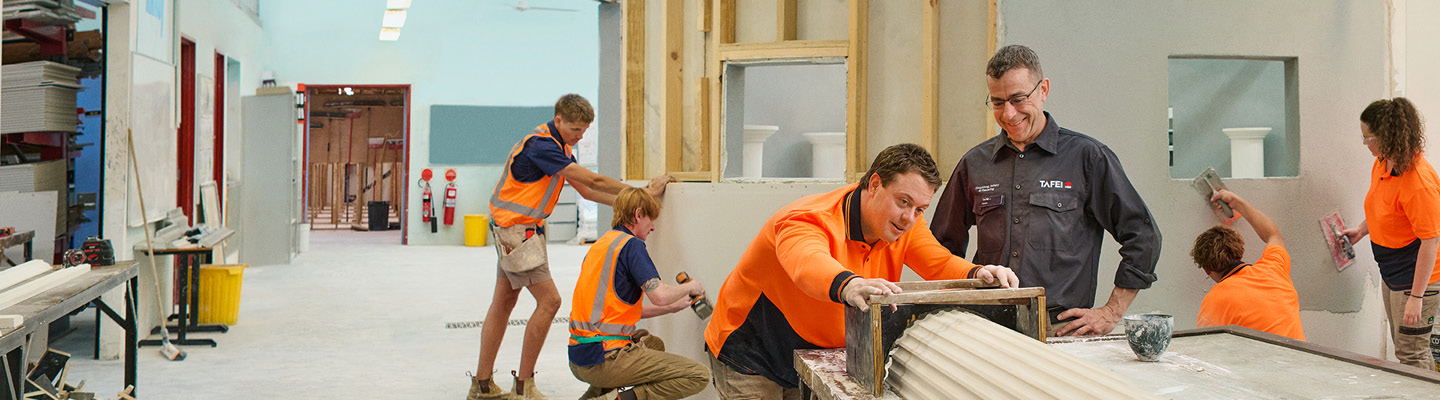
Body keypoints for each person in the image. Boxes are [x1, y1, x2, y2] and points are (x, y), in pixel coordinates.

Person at [704, 143, 1020, 399]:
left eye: (920, 208)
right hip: (752, 350)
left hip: (809, 353)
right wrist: (851, 284)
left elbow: (937, 262)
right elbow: (807, 264)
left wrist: (979, 273)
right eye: (903, 201)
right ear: (874, 184)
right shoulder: (808, 218)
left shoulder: (905, 226)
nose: (910, 217)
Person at [931, 44, 1161, 337]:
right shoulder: (974, 164)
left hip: (1060, 332)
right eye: (998, 102)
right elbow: (940, 249)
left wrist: (1111, 311)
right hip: (986, 330)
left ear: (1044, 89)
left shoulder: (1088, 158)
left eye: (1018, 98)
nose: (1009, 113)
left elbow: (1143, 236)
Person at [470, 94, 674, 400]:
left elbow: (588, 192)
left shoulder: (558, 146)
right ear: (559, 120)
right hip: (519, 235)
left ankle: (482, 385)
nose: (579, 137)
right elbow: (594, 180)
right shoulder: (542, 146)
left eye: (584, 131)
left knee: (502, 304)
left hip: (514, 231)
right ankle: (524, 386)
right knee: (550, 302)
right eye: (575, 130)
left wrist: (635, 203)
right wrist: (642, 191)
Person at [567, 187, 709, 400]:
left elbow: (615, 311)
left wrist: (671, 308)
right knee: (698, 375)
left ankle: (595, 394)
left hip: (580, 357)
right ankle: (614, 398)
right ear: (638, 214)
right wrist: (691, 287)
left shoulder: (601, 245)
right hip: (606, 357)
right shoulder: (632, 246)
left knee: (654, 345)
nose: (653, 228)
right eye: (651, 219)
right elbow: (659, 294)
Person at [1341, 97, 1440, 370]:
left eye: (1367, 138)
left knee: (1412, 355)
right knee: (1403, 349)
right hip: (1392, 271)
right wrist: (1362, 230)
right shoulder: (1383, 163)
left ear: (1387, 136)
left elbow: (1431, 241)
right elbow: (1383, 207)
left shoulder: (1419, 183)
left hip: (1417, 279)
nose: (1365, 144)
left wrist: (1416, 297)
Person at [1190, 189, 1305, 340]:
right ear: (1240, 252)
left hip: (1263, 363)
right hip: (1303, 360)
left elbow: (1205, 349)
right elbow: (1273, 235)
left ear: (1206, 270)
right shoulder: (1273, 269)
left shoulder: (1214, 301)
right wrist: (1237, 202)